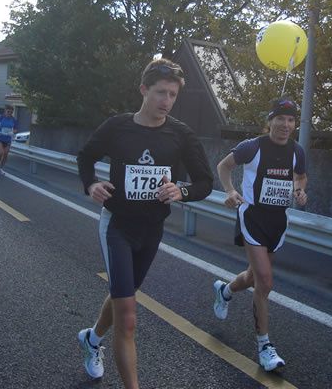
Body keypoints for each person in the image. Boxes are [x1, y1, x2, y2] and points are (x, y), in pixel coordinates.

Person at [76, 58, 213, 389]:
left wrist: (181, 190)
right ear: (143, 90)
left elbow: (205, 182)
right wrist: (91, 184)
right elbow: (85, 157)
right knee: (129, 317)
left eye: (172, 95)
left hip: (152, 230)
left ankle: (91, 339)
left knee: (124, 295)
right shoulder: (118, 127)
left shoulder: (181, 135)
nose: (166, 101)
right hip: (118, 226)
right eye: (160, 93)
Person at [212, 97, 308, 372]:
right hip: (252, 217)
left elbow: (301, 176)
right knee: (265, 282)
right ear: (270, 121)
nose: (285, 125)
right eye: (280, 119)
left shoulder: (296, 151)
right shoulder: (252, 146)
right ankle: (264, 346)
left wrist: (300, 190)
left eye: (291, 120)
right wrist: (231, 191)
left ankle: (225, 290)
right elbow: (224, 166)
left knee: (254, 276)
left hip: (278, 222)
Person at [0, 105, 18, 175]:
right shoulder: (0, 118)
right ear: (5, 111)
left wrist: (12, 132)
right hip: (0, 138)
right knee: (1, 153)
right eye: (8, 111)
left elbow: (16, 129)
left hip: (8, 139)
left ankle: (0, 169)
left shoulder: (13, 120)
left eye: (11, 112)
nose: (9, 113)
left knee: (5, 155)